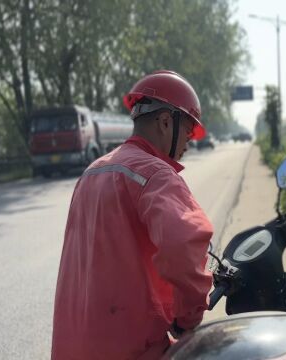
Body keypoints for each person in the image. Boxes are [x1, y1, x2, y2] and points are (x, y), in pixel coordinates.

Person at [51, 70, 213, 359]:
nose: (189, 143)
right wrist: (188, 316)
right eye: (188, 132)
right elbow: (184, 246)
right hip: (132, 349)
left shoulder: (91, 173)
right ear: (165, 122)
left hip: (74, 347)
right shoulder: (155, 174)